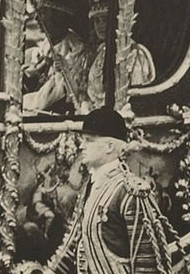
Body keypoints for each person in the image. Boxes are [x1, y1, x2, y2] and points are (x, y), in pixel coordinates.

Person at [67, 108, 173, 273]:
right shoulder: (90, 185)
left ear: (110, 146)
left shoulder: (130, 191)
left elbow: (147, 262)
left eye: (89, 140)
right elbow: (76, 245)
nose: (81, 146)